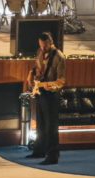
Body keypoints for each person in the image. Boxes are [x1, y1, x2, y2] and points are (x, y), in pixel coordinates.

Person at [26, 32, 66, 165]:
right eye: (41, 45)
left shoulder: (59, 57)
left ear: (51, 42)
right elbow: (36, 66)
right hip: (40, 92)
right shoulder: (40, 51)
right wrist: (31, 75)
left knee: (51, 127)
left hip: (51, 95)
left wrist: (47, 85)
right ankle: (39, 150)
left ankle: (52, 156)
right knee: (41, 124)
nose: (42, 48)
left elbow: (61, 81)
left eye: (45, 45)